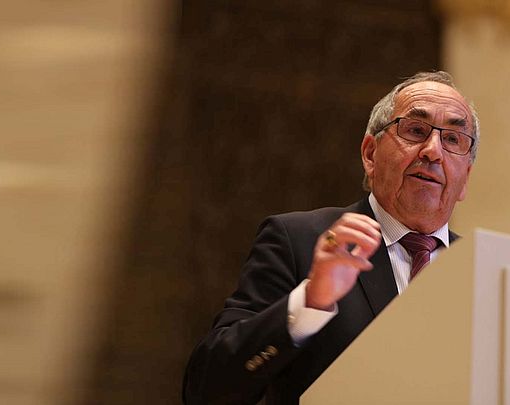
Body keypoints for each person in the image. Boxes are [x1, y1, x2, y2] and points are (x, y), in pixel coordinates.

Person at [182, 71, 479, 405]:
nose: (433, 151)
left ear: (466, 178)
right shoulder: (299, 240)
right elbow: (206, 390)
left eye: (453, 139)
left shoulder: (480, 273)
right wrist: (311, 301)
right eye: (415, 130)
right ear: (370, 154)